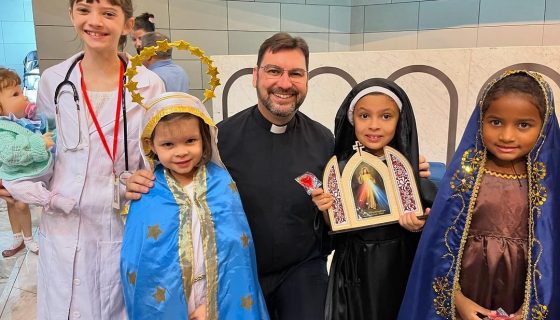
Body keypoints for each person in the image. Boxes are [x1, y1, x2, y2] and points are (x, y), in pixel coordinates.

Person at [3, 0, 165, 319]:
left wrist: (143, 178)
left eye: (108, 13)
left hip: (117, 224)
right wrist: (19, 178)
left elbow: (156, 157)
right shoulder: (54, 80)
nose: (94, 22)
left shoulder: (149, 86)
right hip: (62, 226)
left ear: (128, 24)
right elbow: (47, 152)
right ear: (71, 14)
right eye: (84, 9)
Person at [398, 70, 560, 320]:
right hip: (466, 292)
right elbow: (439, 247)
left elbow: (551, 258)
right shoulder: (463, 179)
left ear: (544, 126)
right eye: (496, 122)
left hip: (521, 296)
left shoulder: (550, 188)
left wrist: (528, 311)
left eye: (523, 125)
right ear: (480, 121)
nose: (507, 136)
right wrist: (457, 300)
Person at [121, 92, 269, 320]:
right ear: (151, 144)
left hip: (220, 298)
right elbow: (141, 262)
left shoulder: (221, 184)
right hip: (170, 301)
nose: (181, 152)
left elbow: (236, 254)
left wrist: (213, 305)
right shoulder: (149, 191)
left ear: (204, 138)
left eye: (190, 141)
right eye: (168, 144)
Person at [311, 78, 435, 320]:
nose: (374, 126)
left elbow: (435, 225)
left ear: (400, 121)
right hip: (353, 269)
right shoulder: (341, 169)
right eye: (364, 116)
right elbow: (332, 227)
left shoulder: (408, 169)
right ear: (351, 119)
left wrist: (420, 223)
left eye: (386, 116)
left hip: (399, 264)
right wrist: (325, 210)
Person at [0, 68, 51, 256]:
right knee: (13, 203)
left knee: (20, 204)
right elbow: (11, 153)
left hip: (17, 175)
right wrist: (39, 144)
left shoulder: (20, 122)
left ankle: (28, 238)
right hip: (12, 174)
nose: (23, 97)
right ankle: (18, 238)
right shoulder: (4, 129)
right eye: (15, 94)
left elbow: (41, 129)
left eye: (21, 92)